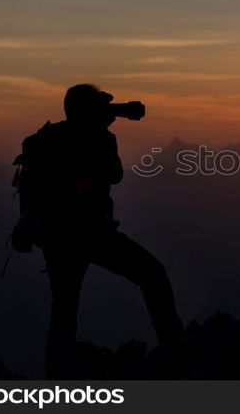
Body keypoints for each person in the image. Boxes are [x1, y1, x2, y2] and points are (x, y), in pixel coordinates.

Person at [18, 84, 182, 378]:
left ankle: (55, 378)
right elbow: (114, 175)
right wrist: (104, 134)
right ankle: (177, 348)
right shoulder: (97, 138)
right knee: (153, 275)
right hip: (92, 234)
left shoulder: (49, 139)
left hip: (56, 238)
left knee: (64, 311)